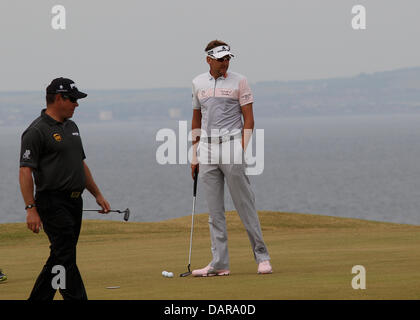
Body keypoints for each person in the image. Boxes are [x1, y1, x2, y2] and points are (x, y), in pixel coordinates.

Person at [19, 77, 111, 300]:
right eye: (72, 99)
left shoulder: (71, 126)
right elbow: (25, 171)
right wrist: (30, 207)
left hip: (74, 201)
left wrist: (97, 194)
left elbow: (79, 163)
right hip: (52, 201)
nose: (76, 104)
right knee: (65, 256)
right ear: (58, 98)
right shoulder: (36, 131)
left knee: (61, 256)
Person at [190, 40, 272, 276]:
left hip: (232, 146)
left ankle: (262, 256)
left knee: (244, 204)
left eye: (227, 58)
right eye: (220, 59)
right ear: (208, 59)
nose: (225, 62)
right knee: (214, 211)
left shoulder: (240, 81)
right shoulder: (197, 83)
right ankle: (219, 263)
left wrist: (241, 149)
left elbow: (249, 120)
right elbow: (196, 119)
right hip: (206, 150)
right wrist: (194, 155)